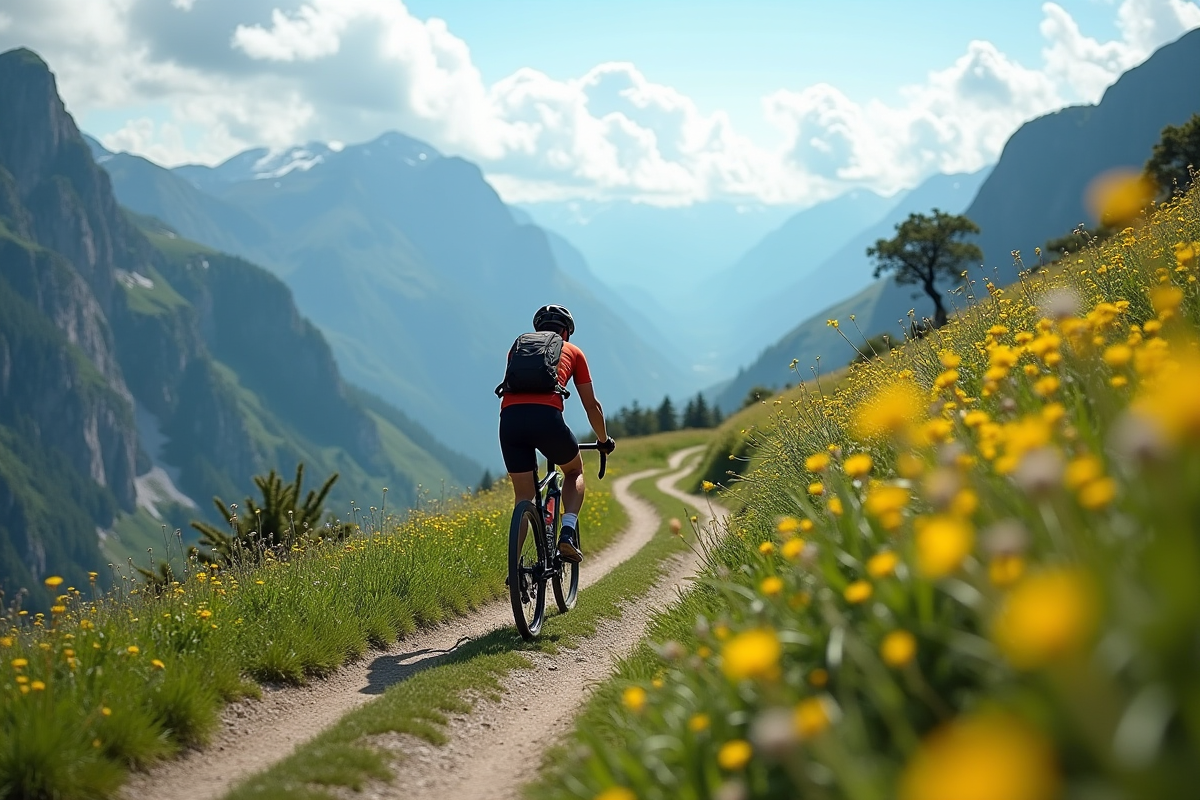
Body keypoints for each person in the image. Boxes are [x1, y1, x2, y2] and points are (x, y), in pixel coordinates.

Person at [497, 304, 615, 563]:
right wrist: (603, 440)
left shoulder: (516, 349)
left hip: (510, 421)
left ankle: (514, 571)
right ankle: (568, 533)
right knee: (574, 471)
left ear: (537, 331)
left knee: (523, 496)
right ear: (566, 332)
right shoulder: (573, 351)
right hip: (547, 421)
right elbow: (591, 405)